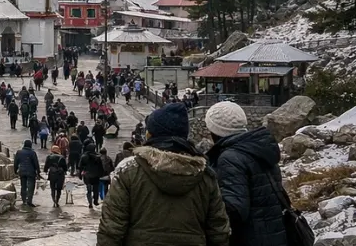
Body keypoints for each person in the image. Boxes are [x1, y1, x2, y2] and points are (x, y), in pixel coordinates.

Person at [97, 103, 231, 246]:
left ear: (150, 134)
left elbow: (111, 230)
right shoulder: (204, 175)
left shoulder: (128, 171)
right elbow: (219, 232)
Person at [205, 101, 288, 246]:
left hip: (251, 238)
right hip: (274, 234)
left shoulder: (230, 157)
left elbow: (235, 209)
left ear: (215, 131)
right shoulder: (259, 148)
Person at [14, 140, 41, 208]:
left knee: (23, 186)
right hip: (31, 172)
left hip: (22, 171)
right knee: (31, 187)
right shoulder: (32, 153)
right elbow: (36, 163)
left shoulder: (19, 152)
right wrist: (38, 172)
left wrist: (15, 170)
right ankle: (29, 200)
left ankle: (24, 200)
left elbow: (16, 162)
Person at [79, 141, 105, 208]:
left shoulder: (84, 156)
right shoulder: (98, 157)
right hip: (96, 176)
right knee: (96, 189)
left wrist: (80, 174)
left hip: (87, 176)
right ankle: (95, 200)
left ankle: (90, 203)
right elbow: (101, 167)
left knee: (89, 190)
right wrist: (101, 174)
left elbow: (80, 166)